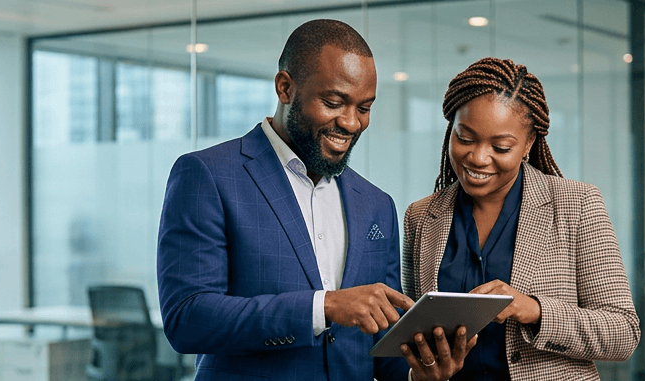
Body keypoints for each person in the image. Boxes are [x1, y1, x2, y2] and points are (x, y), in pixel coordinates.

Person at [157, 19, 474, 381]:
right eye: (334, 102)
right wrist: (324, 306)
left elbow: (384, 347)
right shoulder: (208, 175)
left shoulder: (376, 204)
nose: (352, 123)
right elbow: (187, 318)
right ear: (285, 88)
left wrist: (420, 374)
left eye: (364, 107)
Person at [401, 57, 641, 380]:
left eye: (500, 147)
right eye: (465, 138)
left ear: (528, 144)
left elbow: (623, 332)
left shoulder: (577, 204)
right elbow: (413, 339)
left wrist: (533, 310)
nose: (478, 157)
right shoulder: (420, 217)